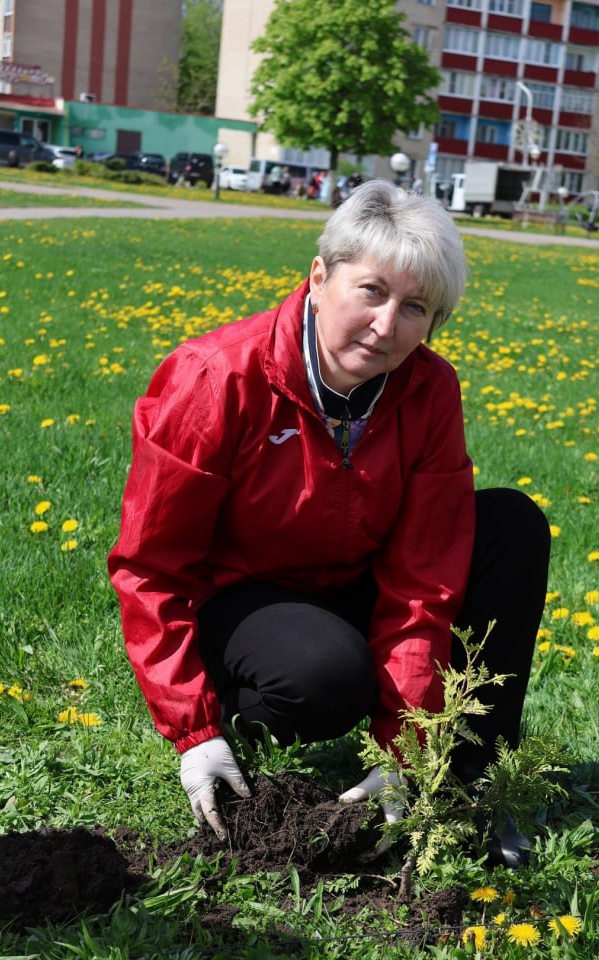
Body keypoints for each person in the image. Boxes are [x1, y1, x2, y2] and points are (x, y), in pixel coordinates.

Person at [108, 180, 550, 865]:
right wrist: (192, 731)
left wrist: (403, 748)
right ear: (319, 277)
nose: (385, 326)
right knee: (324, 679)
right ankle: (239, 718)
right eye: (371, 291)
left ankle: (464, 779)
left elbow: (423, 579)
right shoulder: (217, 378)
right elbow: (151, 566)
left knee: (509, 525)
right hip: (243, 598)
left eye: (415, 309)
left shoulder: (429, 389)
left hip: (354, 578)